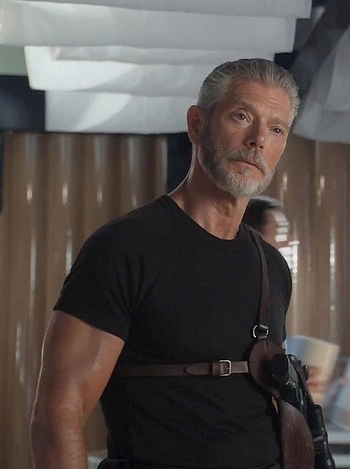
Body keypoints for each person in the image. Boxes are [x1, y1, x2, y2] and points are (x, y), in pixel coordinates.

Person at [30, 58, 300, 469]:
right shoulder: (124, 247)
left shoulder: (272, 266)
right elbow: (58, 414)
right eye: (242, 116)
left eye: (276, 129)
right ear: (197, 125)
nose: (258, 140)